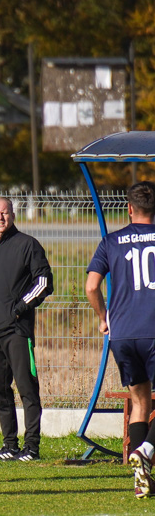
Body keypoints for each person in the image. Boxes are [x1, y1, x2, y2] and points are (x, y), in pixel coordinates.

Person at [85, 181, 155, 498]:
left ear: (128, 208)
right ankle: (147, 452)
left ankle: (142, 479)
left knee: (140, 402)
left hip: (123, 333)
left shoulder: (111, 241)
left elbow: (90, 286)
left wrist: (104, 317)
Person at [0, 197, 53, 462]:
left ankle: (32, 447)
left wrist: (18, 309)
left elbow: (43, 282)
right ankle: (9, 445)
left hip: (17, 331)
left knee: (27, 389)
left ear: (13, 215)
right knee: (0, 392)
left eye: (4, 212)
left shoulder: (27, 245)